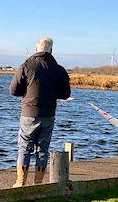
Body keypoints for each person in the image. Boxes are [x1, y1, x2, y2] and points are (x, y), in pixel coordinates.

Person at [9, 37, 71, 187]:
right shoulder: (59, 70)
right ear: (51, 50)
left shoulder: (27, 65)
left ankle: (20, 182)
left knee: (24, 147)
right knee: (43, 149)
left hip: (29, 112)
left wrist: (26, 93)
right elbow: (65, 94)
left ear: (36, 49)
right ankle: (38, 183)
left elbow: (13, 90)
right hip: (49, 113)